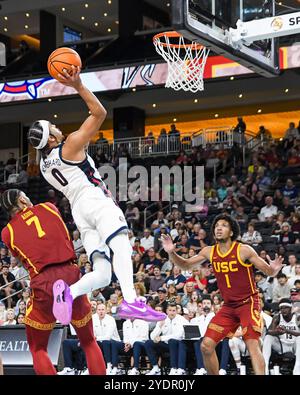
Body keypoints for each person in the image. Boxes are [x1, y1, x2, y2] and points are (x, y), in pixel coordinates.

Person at [27, 66, 165, 324]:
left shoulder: (45, 167)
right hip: (94, 200)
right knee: (121, 241)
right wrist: (78, 84)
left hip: (79, 212)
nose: (58, 127)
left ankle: (69, 293)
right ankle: (131, 301)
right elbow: (99, 113)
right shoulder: (67, 147)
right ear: (51, 139)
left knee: (102, 273)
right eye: (53, 127)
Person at [162, 213, 283, 375]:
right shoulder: (209, 251)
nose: (219, 227)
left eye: (224, 225)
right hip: (228, 306)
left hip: (248, 303)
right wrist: (171, 253)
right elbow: (185, 265)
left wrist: (274, 270)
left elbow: (268, 270)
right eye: (217, 225)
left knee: (252, 343)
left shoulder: (244, 250)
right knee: (206, 346)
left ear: (232, 232)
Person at [0, 189, 106, 375]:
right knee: (89, 342)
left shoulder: (7, 233)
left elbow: (22, 256)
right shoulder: (49, 207)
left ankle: (57, 299)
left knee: (38, 349)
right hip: (71, 273)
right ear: (23, 199)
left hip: (43, 280)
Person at [262, 298, 300, 375]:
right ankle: (264, 370)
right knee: (268, 338)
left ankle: (297, 372)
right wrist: (277, 332)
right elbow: (269, 331)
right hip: (282, 346)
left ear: (291, 308)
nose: (283, 310)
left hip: (295, 346)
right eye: (281, 308)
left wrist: (287, 331)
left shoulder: (297, 317)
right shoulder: (277, 317)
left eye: (286, 307)